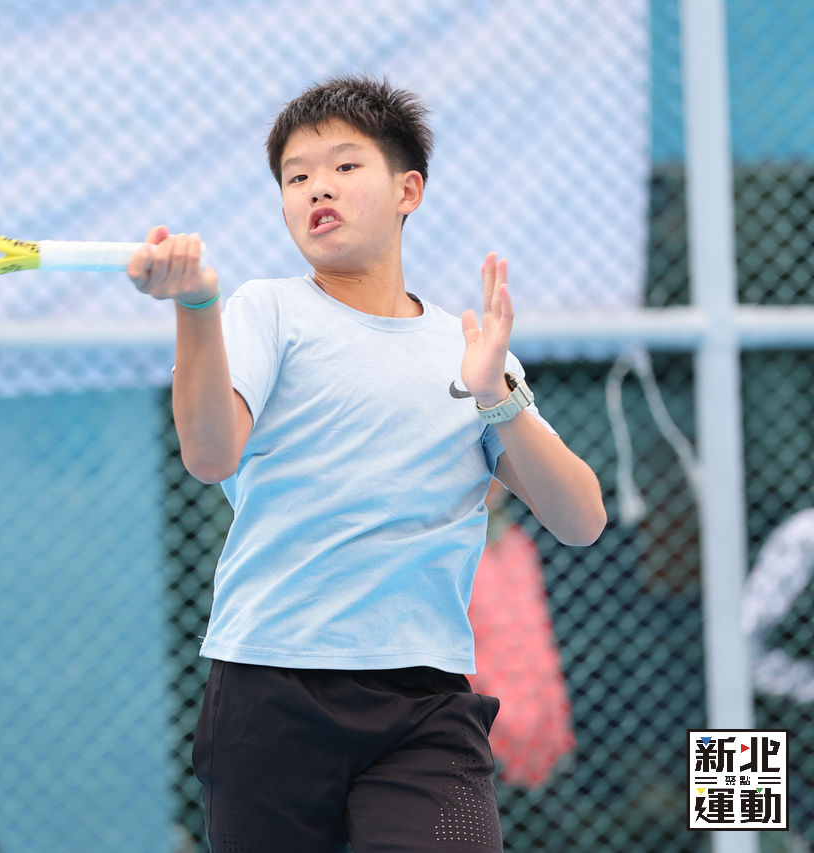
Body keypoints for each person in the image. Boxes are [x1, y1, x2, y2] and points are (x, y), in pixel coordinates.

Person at [128, 75, 606, 852]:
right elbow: (210, 454)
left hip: (425, 702)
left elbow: (581, 518)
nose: (318, 187)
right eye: (296, 177)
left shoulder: (469, 351)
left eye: (346, 166)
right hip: (266, 686)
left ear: (407, 189)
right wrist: (195, 306)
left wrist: (497, 395)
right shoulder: (265, 312)